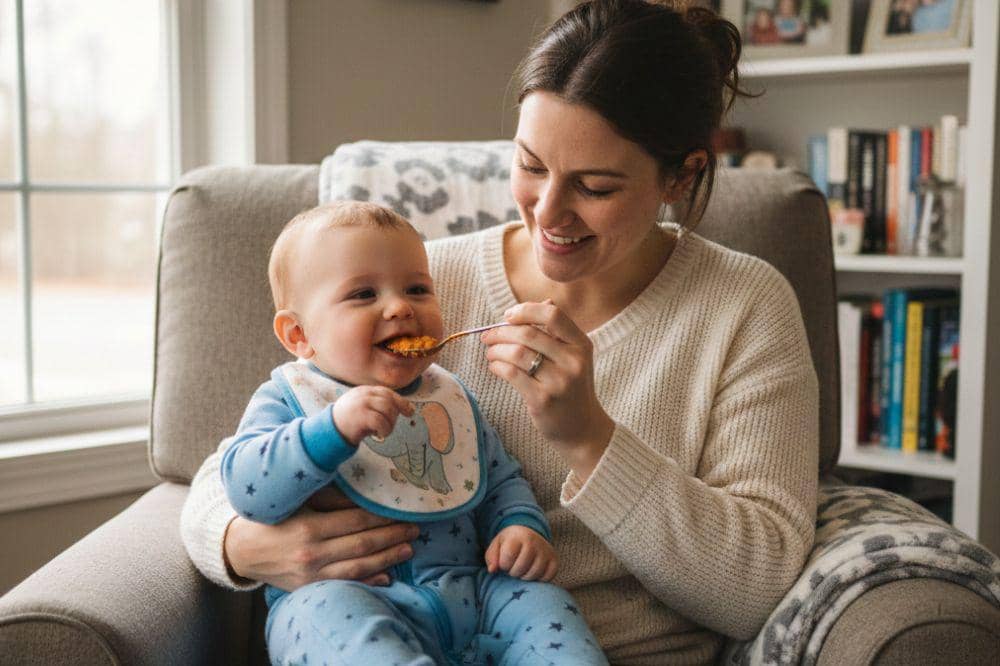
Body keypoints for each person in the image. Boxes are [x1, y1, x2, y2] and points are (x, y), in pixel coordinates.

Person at [181, 1, 820, 663]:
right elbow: (233, 462)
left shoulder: (745, 305)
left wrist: (590, 438)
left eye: (595, 187)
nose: (549, 212)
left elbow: (756, 586)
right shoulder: (414, 284)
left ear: (680, 175)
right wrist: (243, 545)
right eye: (531, 166)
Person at [219, 200, 608, 664]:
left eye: (418, 289)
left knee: (542, 602)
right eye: (364, 294)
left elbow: (500, 479)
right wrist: (330, 430)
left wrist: (519, 526)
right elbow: (247, 487)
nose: (400, 307)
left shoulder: (449, 396)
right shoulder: (288, 399)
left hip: (474, 592)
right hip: (351, 595)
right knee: (313, 615)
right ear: (298, 335)